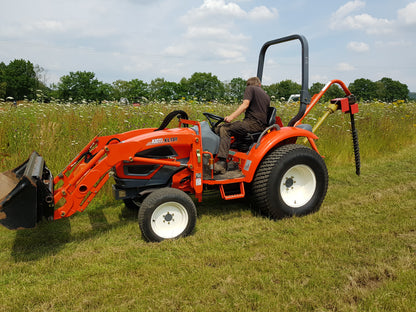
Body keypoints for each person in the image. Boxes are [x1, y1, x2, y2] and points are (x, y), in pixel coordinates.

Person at [215, 76, 270, 174]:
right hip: (260, 124)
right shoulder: (265, 95)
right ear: (259, 85)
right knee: (230, 127)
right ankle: (237, 147)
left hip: (252, 123)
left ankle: (221, 162)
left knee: (224, 129)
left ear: (248, 85)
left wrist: (231, 117)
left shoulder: (250, 88)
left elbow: (245, 105)